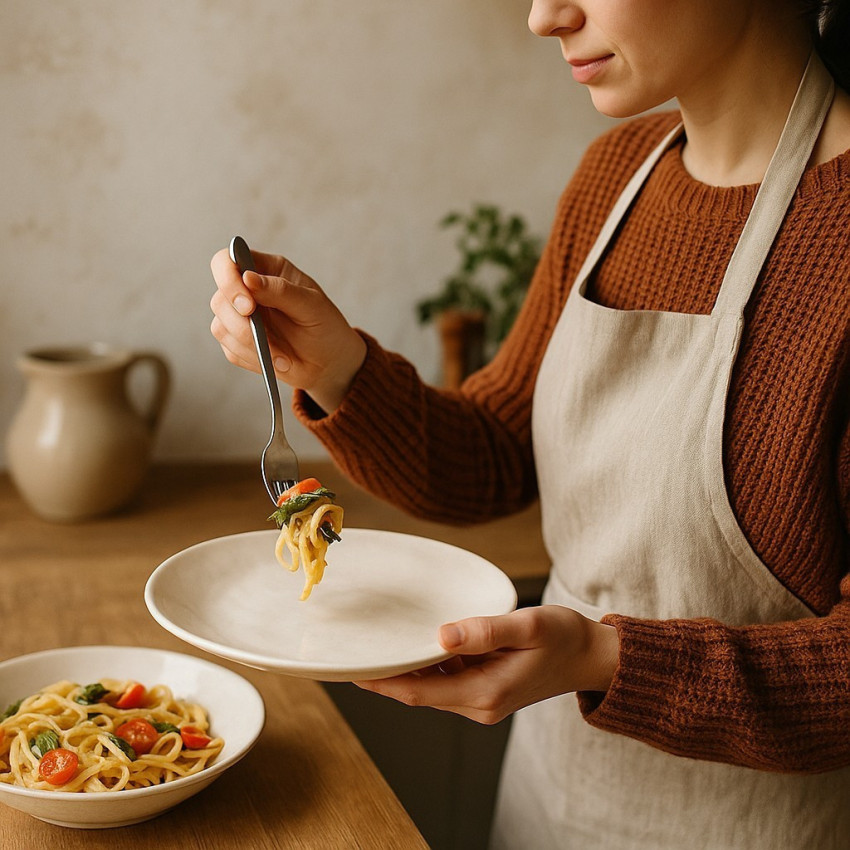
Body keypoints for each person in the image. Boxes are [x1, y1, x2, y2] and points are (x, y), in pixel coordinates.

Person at [209, 1, 850, 847]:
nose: (544, 16)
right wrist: (337, 371)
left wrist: (604, 660)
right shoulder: (616, 176)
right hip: (552, 801)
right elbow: (498, 455)